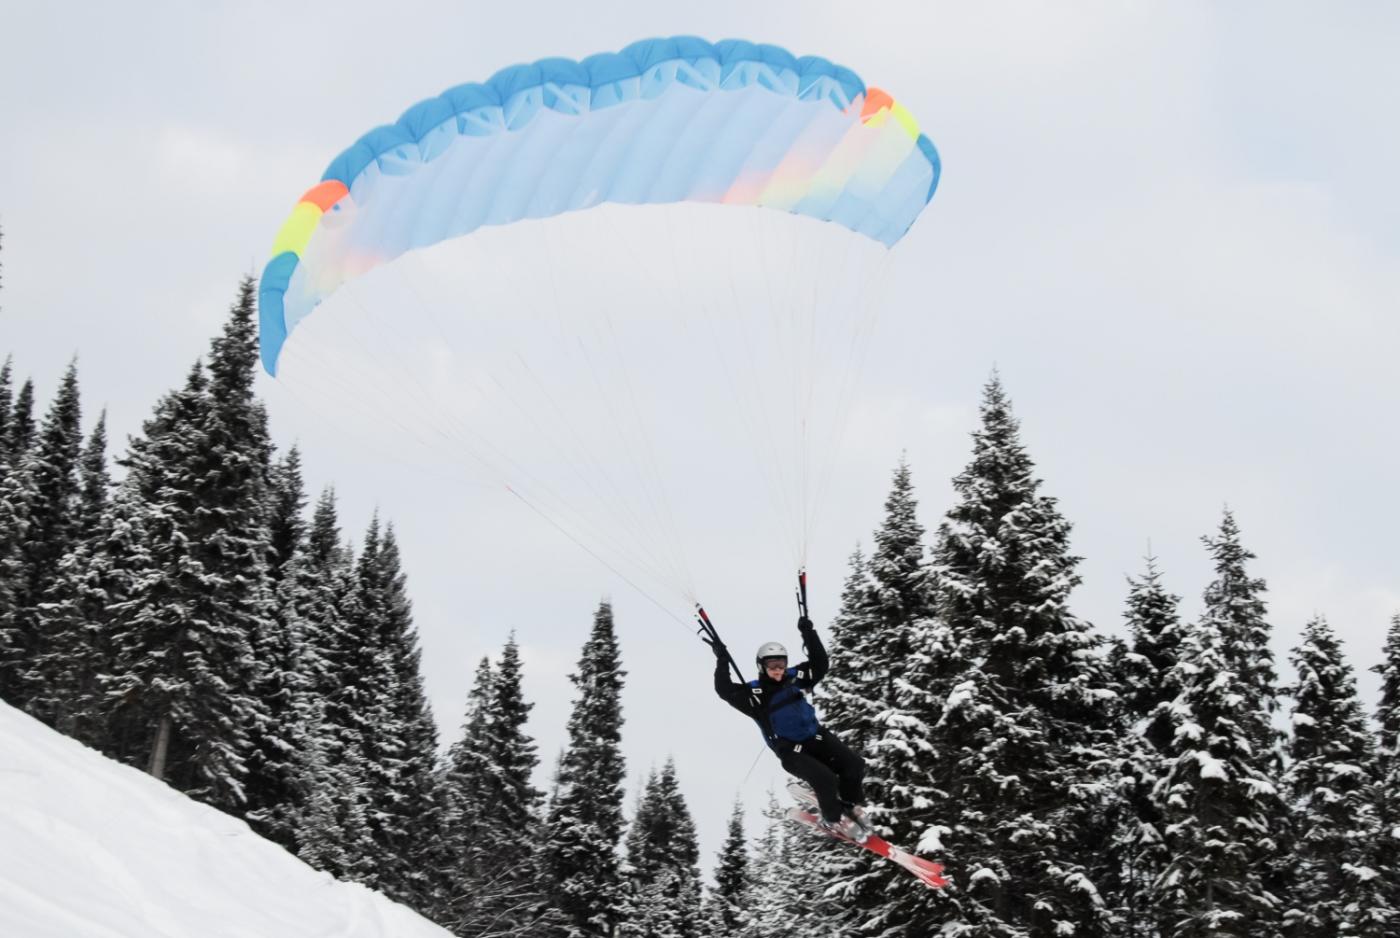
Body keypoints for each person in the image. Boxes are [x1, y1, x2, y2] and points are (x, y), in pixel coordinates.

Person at [707, 615, 869, 839]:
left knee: (854, 765)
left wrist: (809, 633)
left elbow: (820, 664)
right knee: (826, 780)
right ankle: (832, 820)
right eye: (772, 665)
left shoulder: (795, 677)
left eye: (781, 664)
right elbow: (724, 689)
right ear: (762, 666)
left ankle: (850, 806)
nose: (778, 669)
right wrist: (722, 659)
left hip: (816, 737)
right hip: (791, 750)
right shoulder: (755, 694)